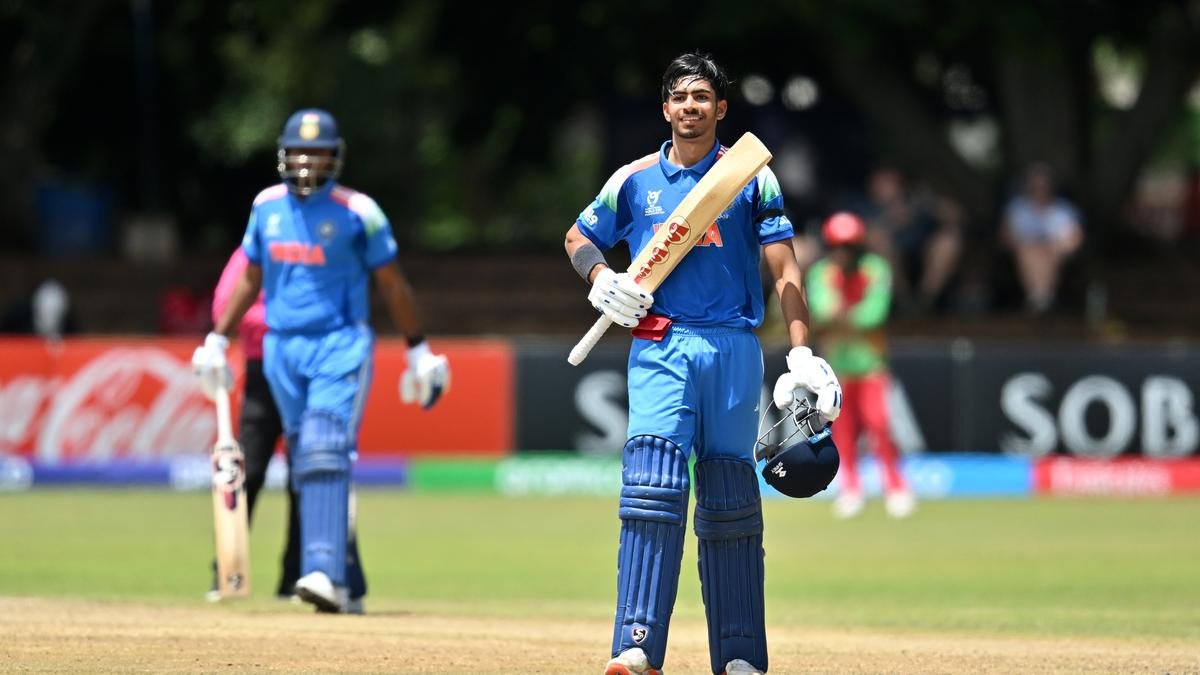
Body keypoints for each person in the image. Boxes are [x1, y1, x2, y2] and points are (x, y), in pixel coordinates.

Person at [564, 52, 841, 675]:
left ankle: (740, 655)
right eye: (680, 97)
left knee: (729, 494)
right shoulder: (633, 179)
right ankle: (636, 645)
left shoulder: (751, 177)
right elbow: (578, 237)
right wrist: (602, 277)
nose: (691, 106)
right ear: (666, 108)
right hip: (661, 342)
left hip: (733, 345)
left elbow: (785, 266)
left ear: (720, 108)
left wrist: (801, 350)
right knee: (653, 483)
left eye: (702, 97)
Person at [192, 108, 450, 614]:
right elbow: (251, 276)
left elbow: (391, 283)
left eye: (319, 153)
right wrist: (218, 339)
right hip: (281, 349)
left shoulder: (360, 212)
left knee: (323, 446)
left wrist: (417, 348)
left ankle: (323, 573)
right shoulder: (266, 206)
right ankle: (348, 582)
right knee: (306, 462)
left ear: (336, 158)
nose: (308, 162)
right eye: (299, 152)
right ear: (283, 155)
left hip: (339, 344)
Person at [204, 247, 305, 605]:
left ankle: (297, 578)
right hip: (263, 370)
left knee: (305, 476)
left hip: (308, 369)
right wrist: (284, 320)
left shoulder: (313, 251)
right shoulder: (257, 248)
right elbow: (225, 307)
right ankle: (227, 573)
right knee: (249, 472)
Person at [806, 212, 915, 519]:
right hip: (836, 367)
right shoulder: (821, 273)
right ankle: (851, 488)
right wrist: (847, 317)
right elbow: (822, 311)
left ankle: (895, 486)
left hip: (871, 363)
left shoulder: (875, 269)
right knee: (842, 430)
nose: (843, 253)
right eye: (837, 246)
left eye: (849, 246)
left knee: (879, 424)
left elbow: (874, 315)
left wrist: (841, 317)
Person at [850, 165, 962, 314]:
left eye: (890, 181)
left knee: (949, 241)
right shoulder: (862, 204)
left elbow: (957, 217)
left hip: (922, 257)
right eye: (880, 181)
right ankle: (902, 299)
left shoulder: (919, 202)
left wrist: (931, 204)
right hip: (886, 262)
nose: (884, 186)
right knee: (876, 238)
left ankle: (924, 301)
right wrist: (891, 220)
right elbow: (857, 231)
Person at [1001, 162, 1084, 315]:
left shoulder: (1064, 209)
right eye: (1035, 187)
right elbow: (1005, 238)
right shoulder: (1016, 208)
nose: (1039, 190)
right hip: (1026, 251)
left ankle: (1041, 300)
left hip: (1055, 252)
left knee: (1046, 254)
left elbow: (1076, 239)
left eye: (1043, 186)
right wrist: (1027, 245)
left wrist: (1056, 247)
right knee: (1031, 253)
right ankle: (1041, 299)